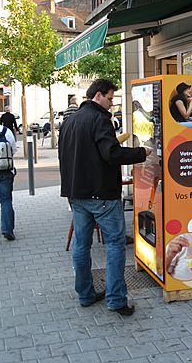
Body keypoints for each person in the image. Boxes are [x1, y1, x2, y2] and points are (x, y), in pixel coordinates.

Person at [59, 79, 151, 315]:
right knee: (115, 245)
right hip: (101, 194)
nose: (111, 104)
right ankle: (117, 299)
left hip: (76, 193)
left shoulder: (70, 120)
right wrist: (142, 153)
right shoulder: (100, 119)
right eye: (110, 98)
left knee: (82, 245)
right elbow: (111, 153)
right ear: (98, 95)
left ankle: (86, 295)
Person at [0, 108, 17, 240]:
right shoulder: (5, 131)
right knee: (6, 200)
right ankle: (7, 229)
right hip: (4, 171)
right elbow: (13, 149)